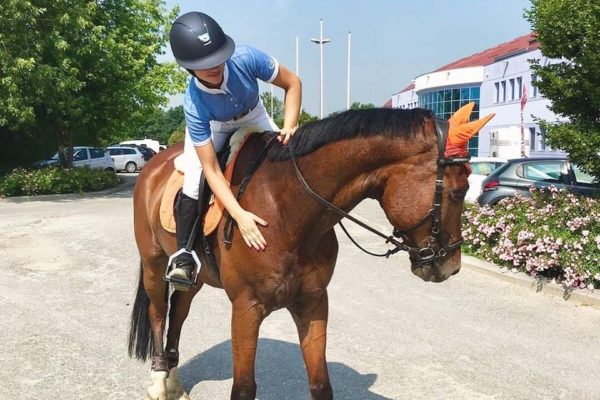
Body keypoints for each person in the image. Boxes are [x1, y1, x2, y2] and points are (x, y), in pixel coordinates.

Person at [167, 11, 302, 287]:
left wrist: (289, 125)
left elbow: (293, 83)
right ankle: (184, 256)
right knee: (194, 177)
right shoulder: (193, 103)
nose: (215, 66)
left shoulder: (246, 58)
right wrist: (240, 216)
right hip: (214, 126)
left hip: (254, 115)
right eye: (206, 63)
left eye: (218, 57)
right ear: (188, 67)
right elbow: (213, 171)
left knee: (288, 155)